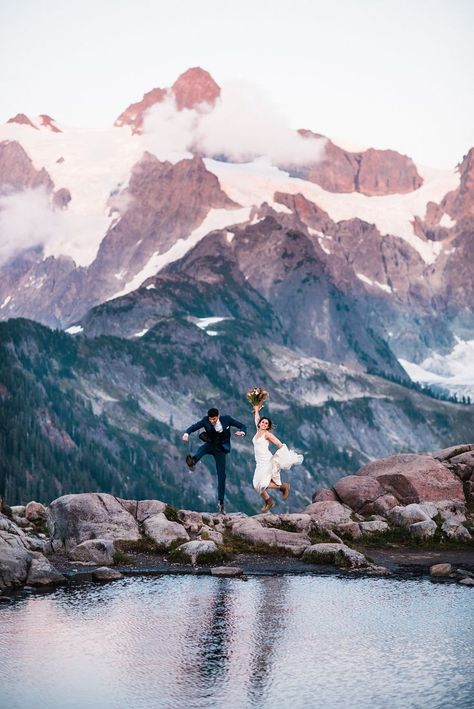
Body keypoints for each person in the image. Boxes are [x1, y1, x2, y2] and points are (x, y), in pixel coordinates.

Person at [182, 408, 247, 515]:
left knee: (222, 475)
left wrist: (243, 432)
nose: (212, 421)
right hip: (210, 444)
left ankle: (221, 504)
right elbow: (194, 427)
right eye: (210, 419)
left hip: (221, 449)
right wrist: (186, 434)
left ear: (218, 416)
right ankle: (193, 461)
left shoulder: (227, 419)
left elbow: (242, 426)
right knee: (202, 449)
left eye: (214, 419)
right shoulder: (205, 420)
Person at [252, 405, 303, 513]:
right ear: (259, 423)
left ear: (268, 426)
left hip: (266, 461)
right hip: (259, 462)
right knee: (256, 484)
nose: (264, 424)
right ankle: (269, 501)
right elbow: (257, 418)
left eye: (266, 423)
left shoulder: (267, 435)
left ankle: (283, 487)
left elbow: (279, 444)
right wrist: (256, 409)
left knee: (262, 484)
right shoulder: (258, 431)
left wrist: (284, 454)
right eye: (262, 422)